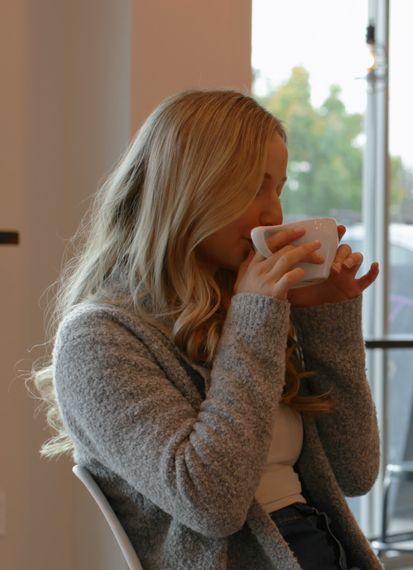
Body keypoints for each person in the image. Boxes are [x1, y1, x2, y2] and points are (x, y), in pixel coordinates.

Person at [31, 90, 382, 569]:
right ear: (189, 187)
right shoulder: (98, 338)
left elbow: (356, 470)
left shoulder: (241, 311)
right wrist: (256, 319)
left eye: (278, 188)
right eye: (255, 187)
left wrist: (325, 317)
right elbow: (212, 503)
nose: (274, 214)